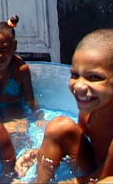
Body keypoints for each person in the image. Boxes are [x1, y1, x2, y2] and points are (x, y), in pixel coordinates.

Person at [14, 29, 113, 183]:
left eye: (94, 77)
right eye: (74, 75)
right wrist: (39, 153)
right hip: (97, 166)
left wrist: (68, 182)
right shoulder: (90, 110)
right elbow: (78, 137)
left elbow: (103, 177)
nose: (79, 86)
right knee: (59, 127)